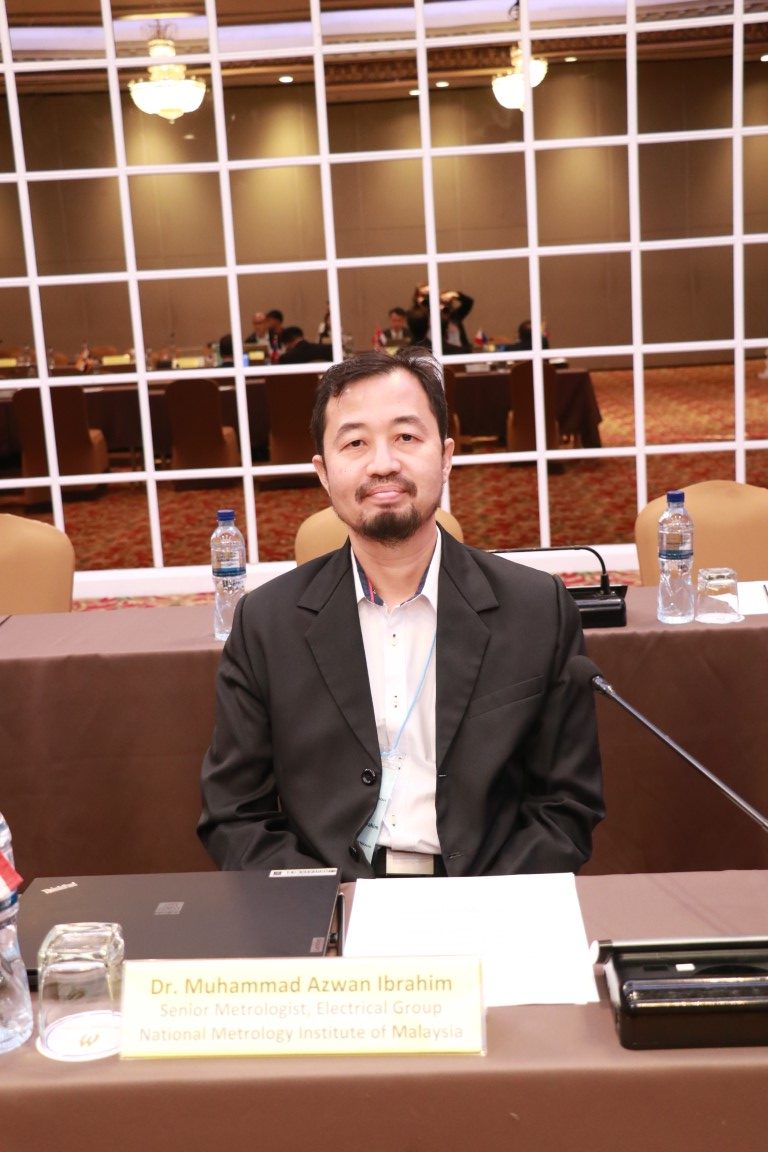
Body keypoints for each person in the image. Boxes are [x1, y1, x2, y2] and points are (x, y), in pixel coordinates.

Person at [198, 346, 603, 880]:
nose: (383, 463)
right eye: (355, 443)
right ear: (323, 472)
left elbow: (566, 807)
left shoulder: (536, 609)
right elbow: (234, 816)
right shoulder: (266, 624)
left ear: (446, 456)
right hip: (329, 903)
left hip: (489, 895)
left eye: (407, 437)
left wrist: (484, 906)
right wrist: (322, 904)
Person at [413, 285, 474, 355]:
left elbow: (468, 303)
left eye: (446, 302)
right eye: (440, 302)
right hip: (445, 353)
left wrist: (454, 294)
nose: (443, 306)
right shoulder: (431, 319)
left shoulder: (455, 315)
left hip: (460, 352)